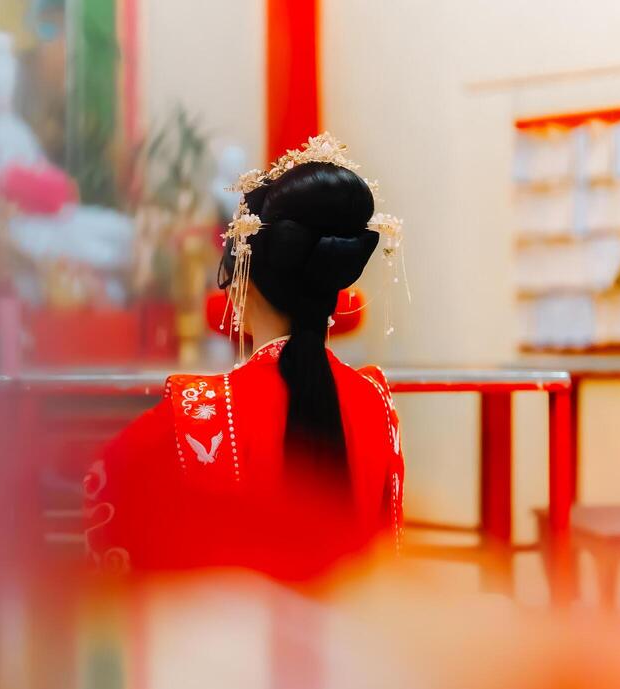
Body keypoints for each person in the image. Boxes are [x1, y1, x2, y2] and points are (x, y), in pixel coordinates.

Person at [84, 135, 403, 580]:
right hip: (350, 637)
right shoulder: (376, 404)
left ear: (240, 285)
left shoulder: (202, 411)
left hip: (230, 640)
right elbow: (385, 556)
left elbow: (106, 491)